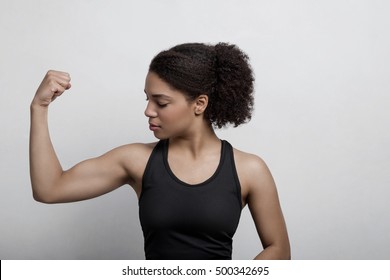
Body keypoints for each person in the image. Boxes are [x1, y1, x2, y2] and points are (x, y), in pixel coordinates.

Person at [29, 42, 290, 260]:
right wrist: (39, 108)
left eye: (161, 102)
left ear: (199, 104)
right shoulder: (137, 161)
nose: (148, 111)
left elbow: (278, 249)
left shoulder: (249, 170)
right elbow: (49, 189)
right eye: (148, 99)